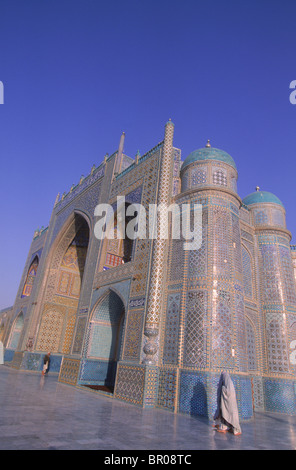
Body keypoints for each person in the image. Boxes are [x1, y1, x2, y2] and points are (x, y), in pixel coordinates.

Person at [213, 371, 242, 435]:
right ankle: (226, 427)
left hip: (229, 404)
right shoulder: (229, 383)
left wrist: (222, 389)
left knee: (231, 415)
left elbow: (228, 392)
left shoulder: (228, 385)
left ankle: (236, 429)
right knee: (225, 413)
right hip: (227, 403)